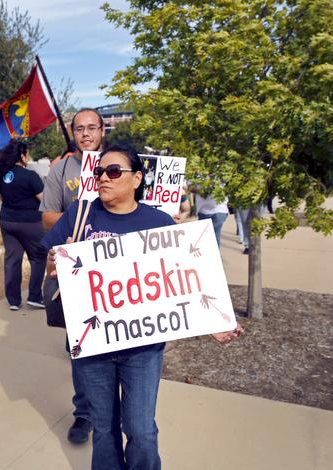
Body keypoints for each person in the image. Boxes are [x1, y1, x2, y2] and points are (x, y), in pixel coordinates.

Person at [43, 143, 244, 470]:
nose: (102, 179)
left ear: (136, 179)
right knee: (104, 429)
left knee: (141, 429)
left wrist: (213, 322)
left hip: (142, 349)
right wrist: (56, 260)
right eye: (98, 173)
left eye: (112, 172)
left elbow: (182, 279)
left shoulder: (159, 222)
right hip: (93, 345)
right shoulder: (80, 214)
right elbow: (51, 265)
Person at [40, 108, 105, 443]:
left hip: (117, 268)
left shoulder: (118, 163)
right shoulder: (62, 169)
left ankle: (113, 408)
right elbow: (48, 216)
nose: (85, 134)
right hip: (77, 269)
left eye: (91, 128)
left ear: (102, 130)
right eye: (79, 129)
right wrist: (77, 214)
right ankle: (85, 415)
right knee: (82, 344)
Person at [0, 139, 47, 310]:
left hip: (7, 221)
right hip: (30, 222)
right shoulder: (31, 176)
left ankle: (14, 301)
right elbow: (44, 200)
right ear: (22, 156)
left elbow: (1, 198)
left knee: (12, 260)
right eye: (27, 154)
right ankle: (35, 296)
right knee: (38, 257)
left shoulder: (1, 174)